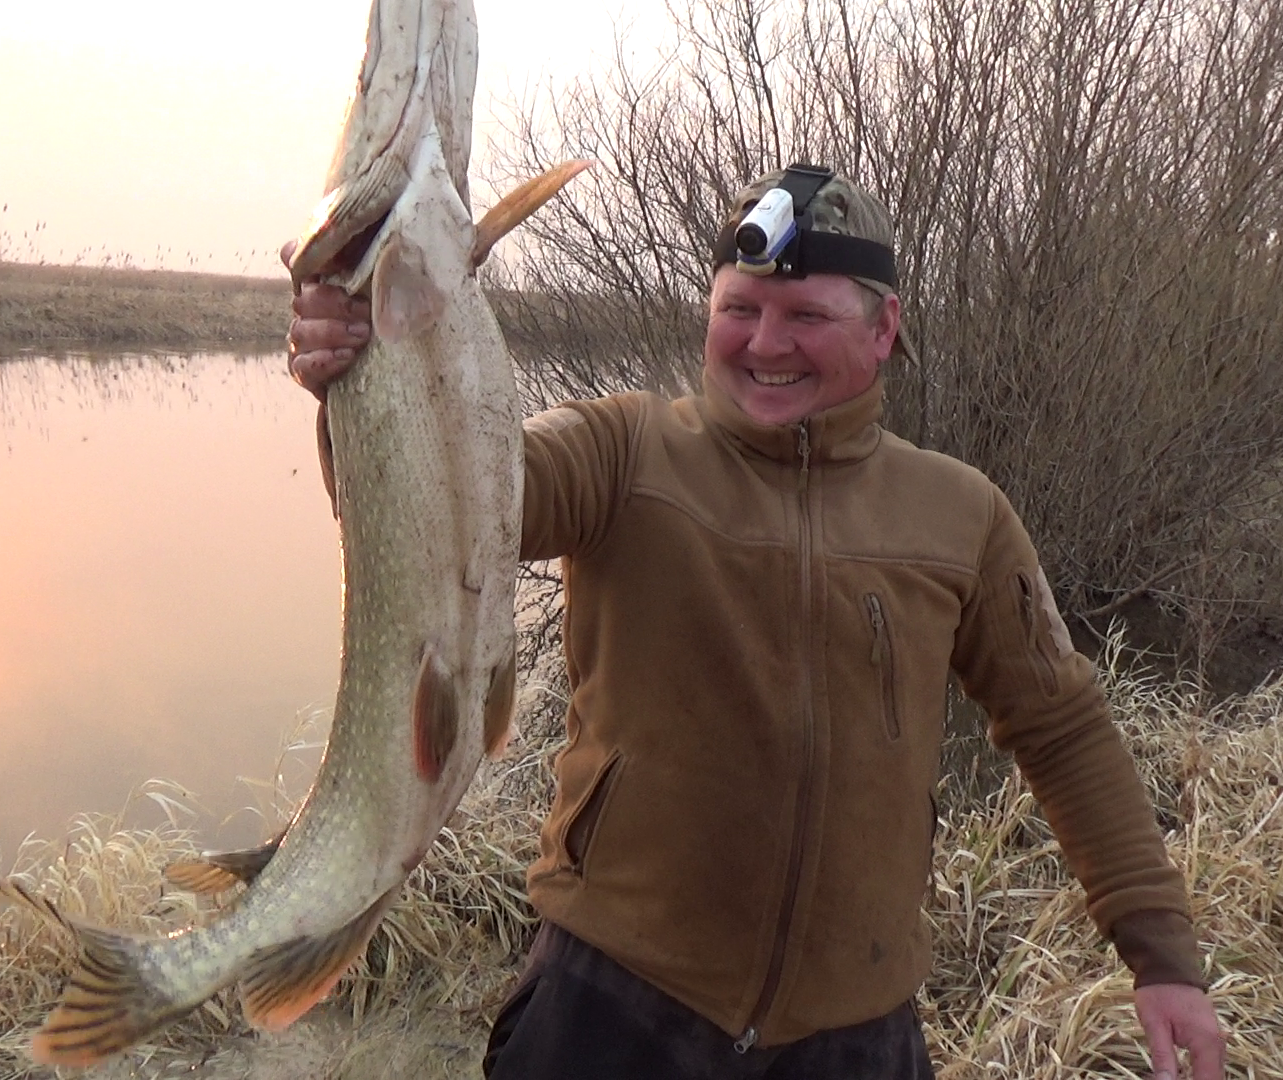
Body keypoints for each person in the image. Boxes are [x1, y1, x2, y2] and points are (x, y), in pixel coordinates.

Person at [284, 165, 1226, 1080]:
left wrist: (1162, 957)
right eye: (740, 310)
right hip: (611, 1004)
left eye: (806, 316)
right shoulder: (627, 450)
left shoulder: (962, 513)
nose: (765, 343)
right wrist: (369, 377)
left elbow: (1061, 728)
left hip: (855, 1033)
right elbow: (457, 503)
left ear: (884, 327)